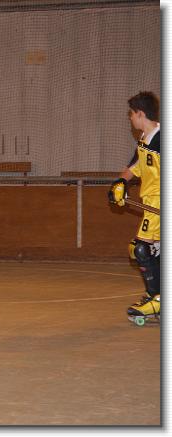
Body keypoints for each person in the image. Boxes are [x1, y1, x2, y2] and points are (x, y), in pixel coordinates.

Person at [108, 91, 160, 323]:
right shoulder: (145, 139)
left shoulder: (161, 140)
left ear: (140, 113)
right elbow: (135, 165)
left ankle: (156, 298)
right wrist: (120, 183)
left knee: (141, 249)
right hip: (150, 202)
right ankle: (158, 296)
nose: (130, 118)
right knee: (150, 250)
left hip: (160, 202)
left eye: (131, 113)